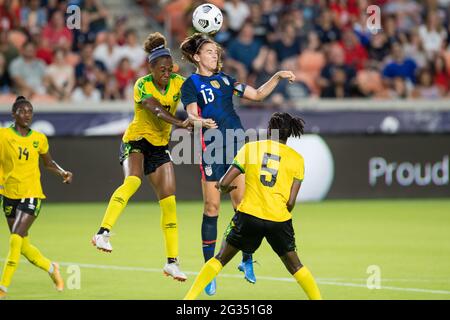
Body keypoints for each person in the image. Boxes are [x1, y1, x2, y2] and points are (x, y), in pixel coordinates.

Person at [180, 33, 295, 295]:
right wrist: (200, 122)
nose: (214, 55)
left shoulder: (226, 80)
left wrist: (276, 76)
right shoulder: (192, 83)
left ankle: (245, 260)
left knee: (243, 208)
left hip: (236, 147)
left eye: (216, 52)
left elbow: (256, 94)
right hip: (211, 148)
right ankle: (209, 270)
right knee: (211, 207)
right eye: (209, 52)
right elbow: (191, 113)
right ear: (197, 57)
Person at [184, 112, 322, 300]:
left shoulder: (251, 148)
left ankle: (188, 300)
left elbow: (224, 183)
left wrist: (224, 188)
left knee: (220, 258)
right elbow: (291, 202)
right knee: (296, 266)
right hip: (279, 220)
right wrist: (278, 213)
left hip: (248, 216)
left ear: (269, 130)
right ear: (289, 133)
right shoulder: (297, 159)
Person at [91, 32, 194, 282]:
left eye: (170, 68)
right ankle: (102, 232)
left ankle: (172, 263)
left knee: (169, 203)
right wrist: (181, 123)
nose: (166, 72)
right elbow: (156, 109)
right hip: (136, 141)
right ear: (151, 67)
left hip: (159, 147)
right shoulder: (142, 84)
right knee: (133, 181)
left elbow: (198, 90)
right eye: (162, 69)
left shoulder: (179, 82)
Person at [0, 96, 73, 299]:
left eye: (30, 111)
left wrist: (63, 172)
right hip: (9, 195)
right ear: (13, 114)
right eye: (22, 111)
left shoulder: (38, 138)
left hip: (31, 194)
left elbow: (48, 162)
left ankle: (2, 288)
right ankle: (52, 268)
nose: (27, 115)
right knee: (23, 247)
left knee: (14, 240)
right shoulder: (3, 135)